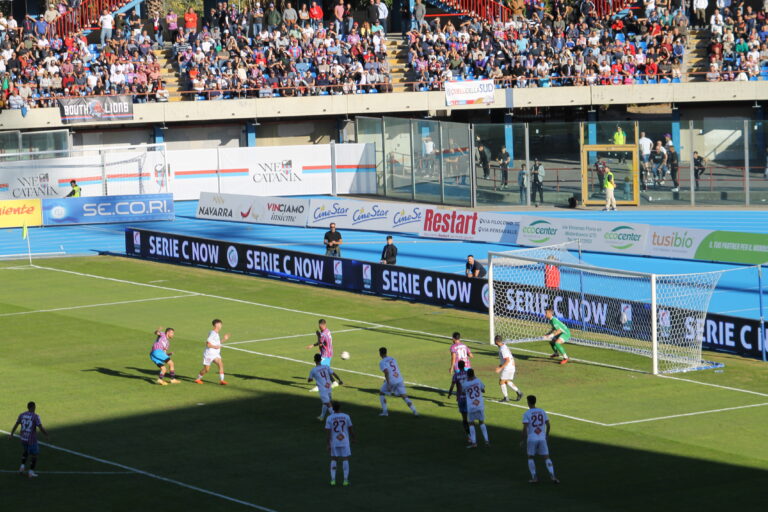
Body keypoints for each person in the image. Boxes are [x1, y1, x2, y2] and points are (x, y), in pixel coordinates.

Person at [522, 395, 559, 484]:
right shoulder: (542, 411)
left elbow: (525, 428)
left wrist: (522, 440)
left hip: (532, 438)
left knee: (530, 457)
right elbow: (548, 425)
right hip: (542, 438)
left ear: (528, 402)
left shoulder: (527, 413)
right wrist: (546, 435)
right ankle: (553, 476)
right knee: (546, 457)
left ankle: (534, 478)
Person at [9, 401, 49, 478]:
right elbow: (40, 427)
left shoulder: (22, 415)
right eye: (35, 407)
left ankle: (22, 467)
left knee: (25, 451)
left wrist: (11, 434)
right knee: (34, 455)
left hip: (23, 438)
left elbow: (16, 424)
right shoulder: (35, 416)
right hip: (31, 439)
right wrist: (46, 434)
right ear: (33, 407)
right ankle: (31, 472)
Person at [378, 347, 418, 416]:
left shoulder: (382, 362)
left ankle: (385, 412)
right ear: (386, 352)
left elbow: (386, 372)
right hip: (399, 379)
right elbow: (393, 370)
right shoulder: (393, 358)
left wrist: (388, 383)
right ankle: (414, 411)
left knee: (382, 393)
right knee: (404, 396)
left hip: (392, 381)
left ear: (380, 353)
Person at [306, 319, 343, 391]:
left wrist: (317, 335)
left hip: (325, 354)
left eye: (320, 326)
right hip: (329, 352)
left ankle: (318, 386)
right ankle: (335, 382)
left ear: (323, 325)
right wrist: (313, 345)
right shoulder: (327, 331)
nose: (319, 327)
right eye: (319, 325)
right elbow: (322, 342)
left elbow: (320, 344)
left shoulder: (323, 334)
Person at [326, 401, 354, 487]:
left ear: (333, 408)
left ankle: (333, 480)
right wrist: (353, 438)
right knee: (345, 459)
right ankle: (345, 480)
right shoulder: (346, 416)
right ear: (340, 407)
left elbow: (327, 432)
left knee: (334, 459)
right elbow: (350, 429)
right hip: (344, 441)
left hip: (334, 441)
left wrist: (328, 443)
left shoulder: (329, 418)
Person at [194, 319, 229, 385]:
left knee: (220, 364)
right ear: (216, 325)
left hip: (215, 354)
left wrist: (224, 339)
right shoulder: (213, 333)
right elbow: (208, 344)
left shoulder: (216, 333)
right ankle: (198, 379)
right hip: (209, 354)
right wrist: (215, 347)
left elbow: (217, 343)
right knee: (206, 369)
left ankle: (222, 380)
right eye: (220, 324)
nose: (221, 326)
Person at [463, 368, 489, 448]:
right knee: (481, 422)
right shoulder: (478, 380)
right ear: (474, 374)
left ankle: (474, 443)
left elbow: (464, 392)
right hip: (479, 405)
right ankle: (486, 440)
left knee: (471, 423)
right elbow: (483, 389)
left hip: (471, 406)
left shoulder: (465, 383)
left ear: (467, 375)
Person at [446, 359, 470, 441]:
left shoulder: (456, 375)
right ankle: (472, 433)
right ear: (464, 366)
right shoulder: (468, 374)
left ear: (458, 367)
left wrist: (449, 393)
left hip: (461, 398)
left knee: (464, 418)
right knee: (471, 416)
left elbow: (452, 385)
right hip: (469, 397)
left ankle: (468, 436)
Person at [494, 336, 523, 402]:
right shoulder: (504, 346)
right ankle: (519, 392)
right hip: (511, 366)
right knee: (506, 381)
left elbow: (507, 360)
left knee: (501, 381)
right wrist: (500, 365)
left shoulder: (502, 349)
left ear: (496, 341)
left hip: (508, 367)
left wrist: (500, 368)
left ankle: (506, 398)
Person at [309, 353, 334, 421]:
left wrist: (311, 379)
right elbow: (332, 373)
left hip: (323, 389)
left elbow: (310, 379)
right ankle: (322, 416)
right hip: (329, 386)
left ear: (314, 360)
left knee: (327, 403)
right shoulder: (325, 366)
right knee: (325, 402)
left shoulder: (313, 370)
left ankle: (334, 416)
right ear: (321, 359)